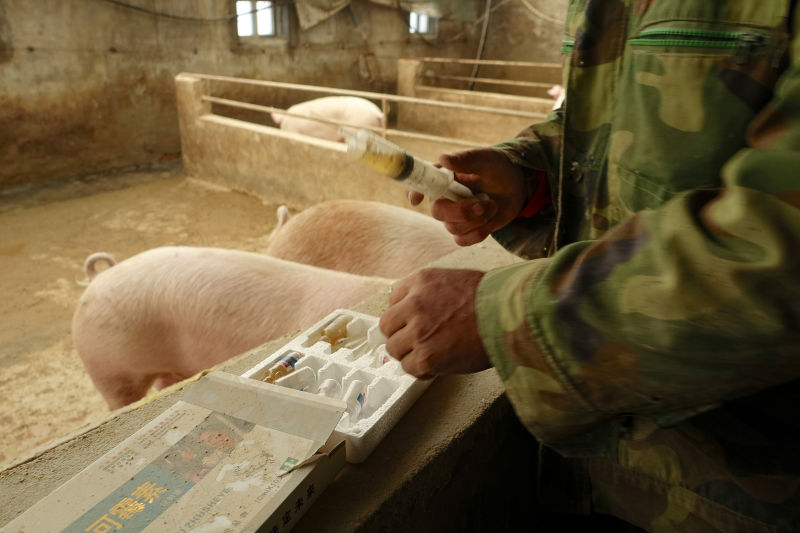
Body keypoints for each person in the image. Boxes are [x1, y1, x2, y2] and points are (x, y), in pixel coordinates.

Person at [379, 2, 800, 532]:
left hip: (740, 494)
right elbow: (608, 126)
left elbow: (781, 244)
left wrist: (507, 317)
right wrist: (529, 176)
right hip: (593, 466)